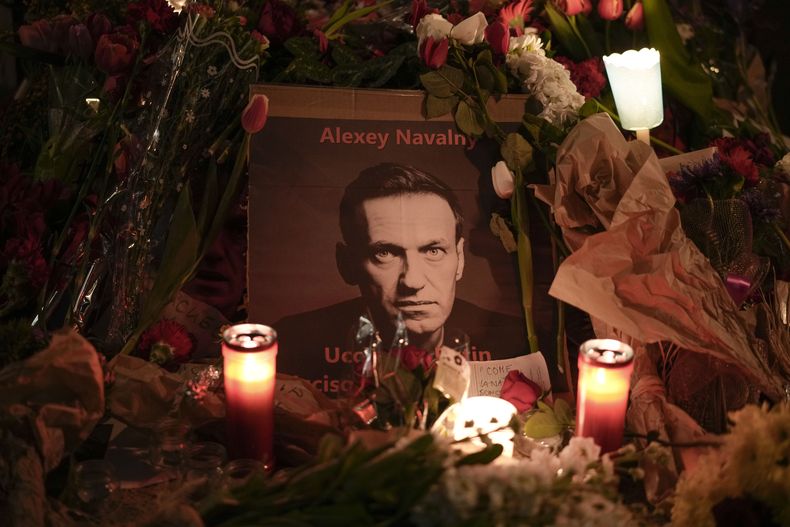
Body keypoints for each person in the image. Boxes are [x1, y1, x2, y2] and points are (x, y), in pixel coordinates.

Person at [275, 163, 529, 391]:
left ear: (460, 259)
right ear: (347, 264)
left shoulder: (512, 342)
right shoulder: (290, 345)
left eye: (433, 251)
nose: (413, 281)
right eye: (385, 252)